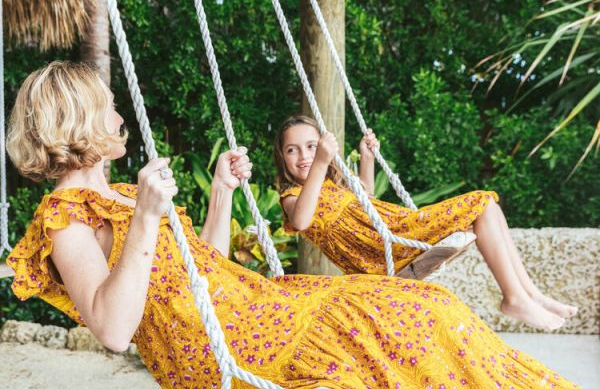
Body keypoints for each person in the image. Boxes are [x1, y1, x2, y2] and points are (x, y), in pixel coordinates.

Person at [6, 62, 578, 388]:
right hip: (223, 344)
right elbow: (111, 327)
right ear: (80, 120)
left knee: (430, 310)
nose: (119, 114)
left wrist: (221, 196)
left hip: (254, 306)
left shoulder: (127, 195)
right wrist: (148, 221)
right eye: (107, 104)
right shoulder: (66, 219)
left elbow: (204, 269)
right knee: (405, 327)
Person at [274, 115, 577, 331]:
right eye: (293, 149)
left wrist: (366, 159)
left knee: (487, 204)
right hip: (382, 252)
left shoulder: (332, 184)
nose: (304, 155)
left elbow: (366, 199)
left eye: (312, 146)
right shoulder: (293, 195)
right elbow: (301, 220)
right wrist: (322, 161)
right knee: (482, 202)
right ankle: (514, 297)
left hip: (397, 229)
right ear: (282, 157)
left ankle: (529, 295)